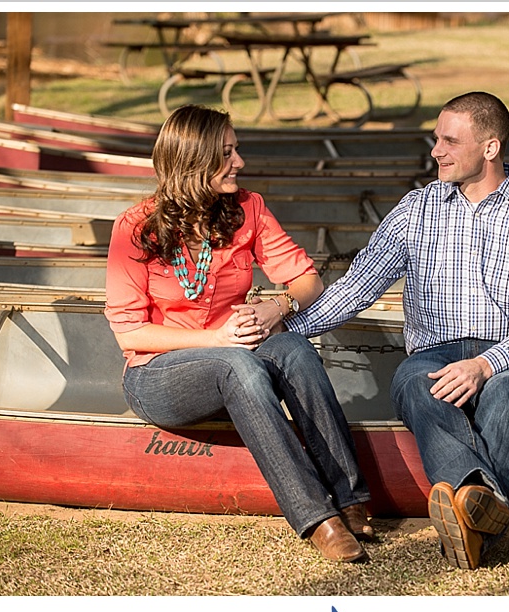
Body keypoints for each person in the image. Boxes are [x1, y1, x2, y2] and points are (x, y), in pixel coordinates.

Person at [286, 91, 509, 570]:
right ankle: (478, 508)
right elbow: (358, 286)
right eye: (435, 139)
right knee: (417, 385)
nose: (435, 151)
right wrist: (291, 327)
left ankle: (466, 511)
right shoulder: (416, 210)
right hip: (433, 356)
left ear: (490, 148)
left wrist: (485, 364)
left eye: (448, 140)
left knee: (508, 394)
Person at [103, 104, 374, 563]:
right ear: (193, 160)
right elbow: (130, 333)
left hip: (238, 352)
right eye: (227, 153)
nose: (240, 162)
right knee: (238, 365)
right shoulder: (135, 228)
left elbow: (308, 281)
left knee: (291, 346)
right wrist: (217, 340)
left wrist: (277, 306)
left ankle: (350, 499)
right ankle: (316, 517)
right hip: (158, 375)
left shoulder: (249, 208)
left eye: (237, 150)